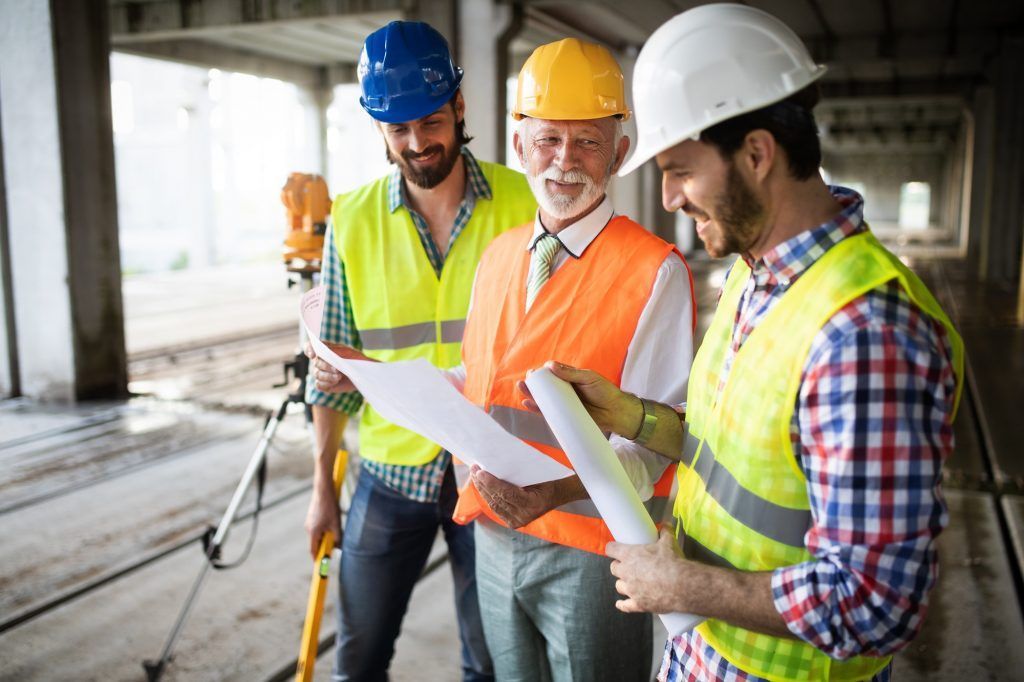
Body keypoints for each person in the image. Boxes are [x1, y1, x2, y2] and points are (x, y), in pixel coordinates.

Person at [539, 5, 965, 682]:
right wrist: (634, 418)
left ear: (758, 153)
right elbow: (737, 453)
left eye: (680, 170)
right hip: (704, 650)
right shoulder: (753, 273)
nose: (670, 198)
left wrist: (683, 586)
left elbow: (877, 603)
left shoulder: (863, 335)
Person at [451, 38, 696, 681]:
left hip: (597, 552)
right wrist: (383, 380)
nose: (565, 162)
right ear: (518, 143)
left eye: (586, 141)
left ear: (620, 150)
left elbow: (665, 434)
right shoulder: (499, 256)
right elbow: (480, 377)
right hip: (493, 534)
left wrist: (555, 491)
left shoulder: (654, 271)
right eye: (548, 139)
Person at [303, 20, 536, 682]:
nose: (417, 143)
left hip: (488, 470)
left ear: (460, 109)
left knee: (489, 660)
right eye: (397, 129)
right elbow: (334, 378)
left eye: (430, 121)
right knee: (359, 655)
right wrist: (322, 485)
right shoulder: (349, 219)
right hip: (387, 470)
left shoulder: (523, 203)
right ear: (378, 129)